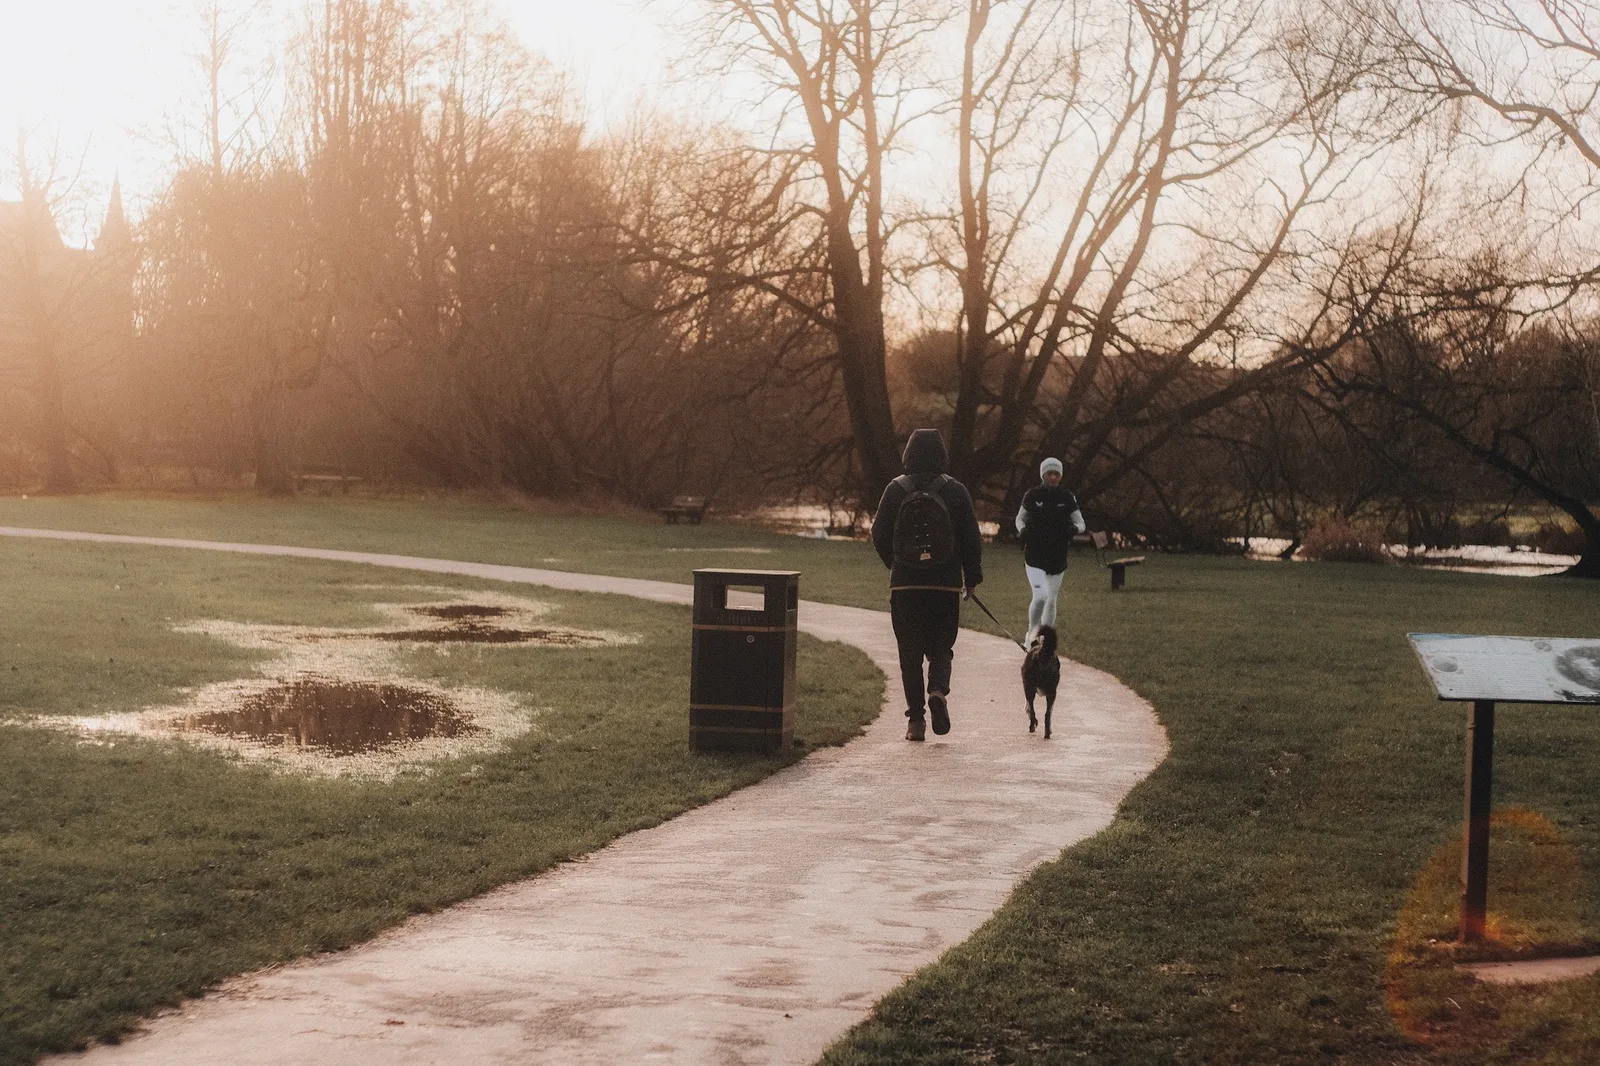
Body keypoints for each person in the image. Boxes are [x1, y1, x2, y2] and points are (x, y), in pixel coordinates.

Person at [870, 429, 984, 742]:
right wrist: (971, 578)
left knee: (909, 654)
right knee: (941, 648)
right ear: (942, 455)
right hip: (944, 585)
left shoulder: (896, 489)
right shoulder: (955, 490)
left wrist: (895, 564)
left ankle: (916, 722)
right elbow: (971, 538)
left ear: (908, 455)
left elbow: (878, 533)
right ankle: (937, 691)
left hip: (905, 586)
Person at [1014, 457, 1085, 644]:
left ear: (1060, 476)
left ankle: (1046, 642)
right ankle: (1031, 636)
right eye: (1049, 473)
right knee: (1040, 596)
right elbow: (1020, 518)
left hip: (1058, 556)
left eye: (1056, 474)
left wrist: (1074, 529)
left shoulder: (1067, 497)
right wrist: (1023, 530)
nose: (1053, 477)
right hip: (1035, 555)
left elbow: (1081, 523)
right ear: (1043, 475)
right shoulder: (1032, 495)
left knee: (1051, 600)